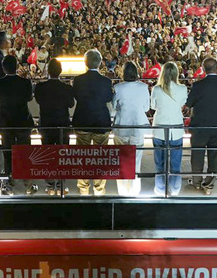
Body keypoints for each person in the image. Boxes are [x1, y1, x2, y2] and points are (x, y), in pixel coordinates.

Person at [186, 57, 217, 195]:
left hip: (199, 125)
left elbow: (189, 103)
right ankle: (209, 185)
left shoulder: (197, 85)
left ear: (203, 69)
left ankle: (197, 182)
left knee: (197, 155)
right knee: (214, 156)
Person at [72, 49, 114, 196]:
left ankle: (83, 189)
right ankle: (99, 190)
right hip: (101, 122)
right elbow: (108, 98)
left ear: (85, 63)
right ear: (100, 63)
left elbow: (76, 97)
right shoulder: (106, 81)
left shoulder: (78, 80)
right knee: (100, 159)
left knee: (83, 158)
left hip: (82, 121)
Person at [0, 55, 36, 196]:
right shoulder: (25, 82)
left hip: (6, 122)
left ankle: (9, 184)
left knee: (7, 153)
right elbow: (29, 98)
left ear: (3, 68)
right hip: (23, 121)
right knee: (25, 152)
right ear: (17, 67)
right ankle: (28, 184)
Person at [33, 59, 75, 196]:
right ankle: (62, 184)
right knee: (63, 155)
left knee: (48, 155)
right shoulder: (67, 88)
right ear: (60, 71)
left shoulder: (40, 87)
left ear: (48, 71)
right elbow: (71, 104)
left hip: (46, 125)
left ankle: (50, 185)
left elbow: (38, 100)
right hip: (63, 125)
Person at [112, 62, 150, 196]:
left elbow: (114, 107)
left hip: (121, 126)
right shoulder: (143, 87)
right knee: (136, 160)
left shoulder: (118, 87)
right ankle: (134, 190)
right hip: (138, 127)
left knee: (121, 160)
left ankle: (122, 191)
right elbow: (146, 108)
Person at [150, 61, 188, 196]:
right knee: (176, 162)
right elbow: (183, 103)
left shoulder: (156, 89)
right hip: (176, 129)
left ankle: (160, 188)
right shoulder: (183, 88)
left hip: (159, 128)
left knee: (159, 161)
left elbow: (153, 106)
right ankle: (175, 188)